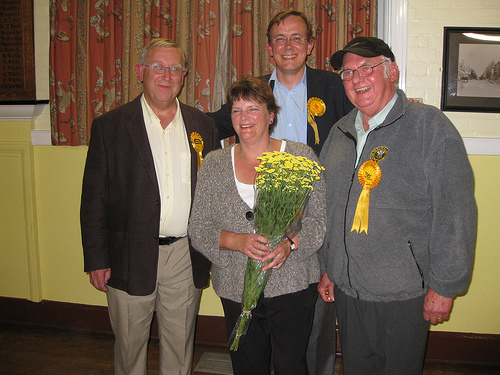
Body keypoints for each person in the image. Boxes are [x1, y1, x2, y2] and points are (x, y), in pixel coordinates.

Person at [318, 36, 477, 374]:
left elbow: (455, 211)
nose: (356, 79)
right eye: (347, 73)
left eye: (366, 68)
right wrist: (329, 266)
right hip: (348, 291)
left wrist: (445, 286)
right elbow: (330, 206)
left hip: (405, 294)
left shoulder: (430, 127)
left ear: (392, 71)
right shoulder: (339, 132)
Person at [208, 11, 352, 373]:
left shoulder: (334, 86)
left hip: (312, 219)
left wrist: (403, 104)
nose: (288, 46)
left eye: (296, 38)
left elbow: (368, 110)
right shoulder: (254, 92)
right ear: (270, 48)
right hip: (260, 221)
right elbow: (213, 122)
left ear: (310, 45)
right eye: (280, 39)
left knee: (310, 327)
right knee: (256, 341)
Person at [80, 38, 219, 375]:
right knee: (130, 348)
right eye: (158, 66)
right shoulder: (110, 127)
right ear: (141, 71)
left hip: (185, 255)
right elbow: (93, 199)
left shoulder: (203, 125)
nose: (166, 75)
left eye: (174, 68)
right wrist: (97, 259)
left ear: (184, 76)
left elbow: (213, 193)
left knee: (179, 346)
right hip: (128, 254)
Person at [189, 77, 326, 375]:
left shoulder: (300, 157)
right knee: (248, 366)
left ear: (271, 115)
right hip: (236, 287)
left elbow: (317, 220)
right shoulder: (214, 163)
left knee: (291, 366)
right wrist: (235, 241)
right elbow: (198, 227)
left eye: (253, 108)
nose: (244, 118)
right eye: (236, 111)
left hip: (291, 284)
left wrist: (289, 244)